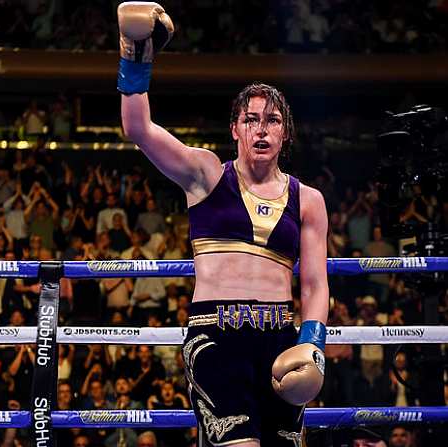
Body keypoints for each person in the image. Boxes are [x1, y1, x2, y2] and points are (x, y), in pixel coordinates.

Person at [118, 3, 329, 446]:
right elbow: (137, 127)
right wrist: (136, 55)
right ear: (235, 128)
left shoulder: (308, 200)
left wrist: (313, 345)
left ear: (285, 133)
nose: (261, 129)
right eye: (251, 119)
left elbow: (313, 286)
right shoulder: (206, 175)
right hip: (216, 336)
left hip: (279, 338)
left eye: (272, 120)